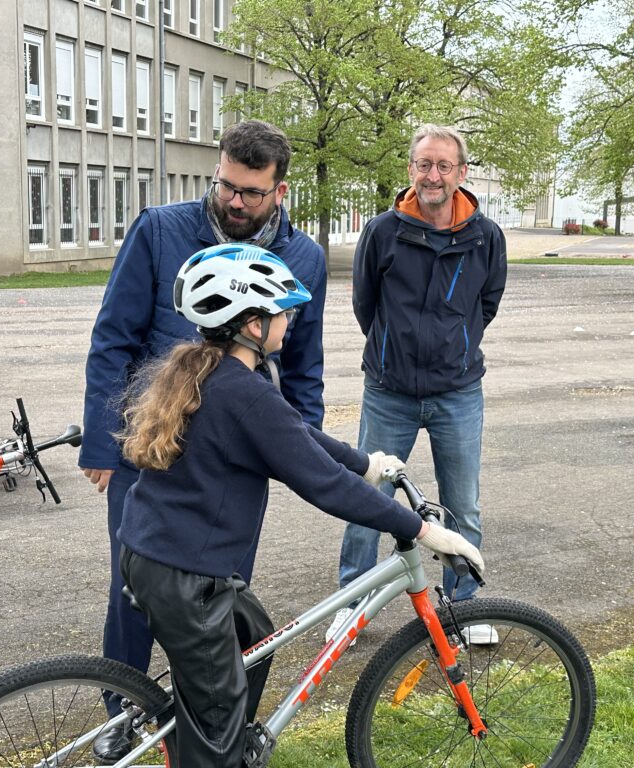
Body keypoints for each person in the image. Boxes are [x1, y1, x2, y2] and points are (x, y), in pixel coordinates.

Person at [118, 243, 485, 768]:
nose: (290, 320)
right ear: (250, 324)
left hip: (162, 555)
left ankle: (207, 722)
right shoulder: (242, 393)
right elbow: (322, 484)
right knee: (216, 739)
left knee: (254, 640)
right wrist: (422, 531)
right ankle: (213, 745)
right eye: (282, 311)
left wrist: (366, 463)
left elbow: (295, 435)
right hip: (186, 577)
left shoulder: (212, 372)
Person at [80, 120, 326, 762]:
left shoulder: (305, 260)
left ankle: (205, 724)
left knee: (224, 600)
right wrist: (106, 446)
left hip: (233, 461)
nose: (234, 200)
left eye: (250, 191)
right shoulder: (160, 230)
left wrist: (306, 450)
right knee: (134, 594)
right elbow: (113, 340)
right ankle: (125, 715)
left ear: (280, 190)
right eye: (225, 185)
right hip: (152, 449)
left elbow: (305, 366)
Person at [329, 124, 507, 644]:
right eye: (424, 165)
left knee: (462, 502)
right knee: (367, 495)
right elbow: (366, 303)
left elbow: (487, 303)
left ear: (461, 173)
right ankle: (352, 602)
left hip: (458, 392)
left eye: (444, 166)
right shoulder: (384, 231)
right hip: (390, 391)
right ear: (411, 170)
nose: (434, 175)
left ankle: (464, 609)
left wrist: (455, 343)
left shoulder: (485, 236)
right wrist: (393, 349)